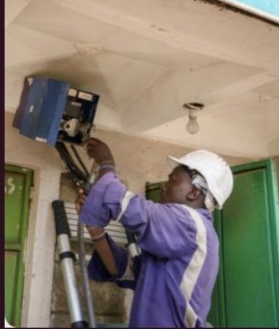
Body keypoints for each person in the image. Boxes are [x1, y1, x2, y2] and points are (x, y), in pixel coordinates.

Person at [76, 138, 234, 328]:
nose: (164, 186)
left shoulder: (190, 224)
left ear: (193, 192)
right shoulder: (186, 233)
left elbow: (129, 205)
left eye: (172, 180)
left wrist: (107, 163)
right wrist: (95, 228)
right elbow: (123, 270)